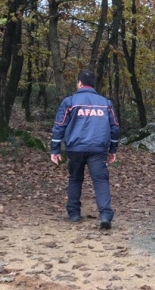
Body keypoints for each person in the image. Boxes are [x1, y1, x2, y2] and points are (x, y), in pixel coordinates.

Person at [50, 70, 120, 230]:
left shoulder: (70, 101)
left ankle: (74, 213)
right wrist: (113, 149)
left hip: (75, 148)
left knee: (75, 179)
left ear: (80, 83)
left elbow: (59, 126)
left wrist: (55, 149)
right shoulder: (105, 103)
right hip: (98, 148)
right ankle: (105, 215)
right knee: (101, 181)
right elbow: (115, 127)